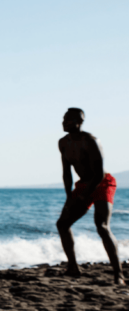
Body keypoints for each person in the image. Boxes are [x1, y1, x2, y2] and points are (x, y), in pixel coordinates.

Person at [56, 108, 124, 285]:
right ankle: (73, 267)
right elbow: (66, 173)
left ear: (79, 122)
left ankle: (119, 275)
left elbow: (99, 173)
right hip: (83, 183)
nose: (64, 122)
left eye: (68, 120)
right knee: (62, 224)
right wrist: (69, 196)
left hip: (103, 182)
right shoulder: (63, 143)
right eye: (63, 119)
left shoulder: (91, 141)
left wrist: (85, 195)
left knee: (102, 226)